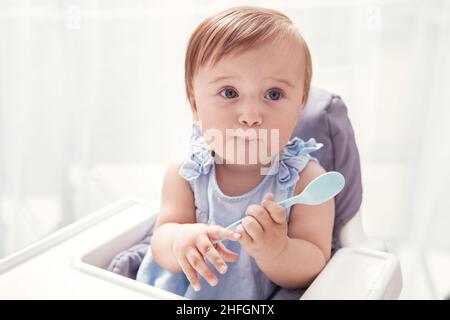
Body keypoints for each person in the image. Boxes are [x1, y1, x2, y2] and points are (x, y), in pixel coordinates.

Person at [136, 5, 335, 300]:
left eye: (274, 94)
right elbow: (161, 239)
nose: (251, 115)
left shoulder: (307, 181)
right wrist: (180, 240)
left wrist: (278, 251)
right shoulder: (187, 169)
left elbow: (315, 262)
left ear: (300, 104)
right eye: (229, 93)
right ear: (195, 102)